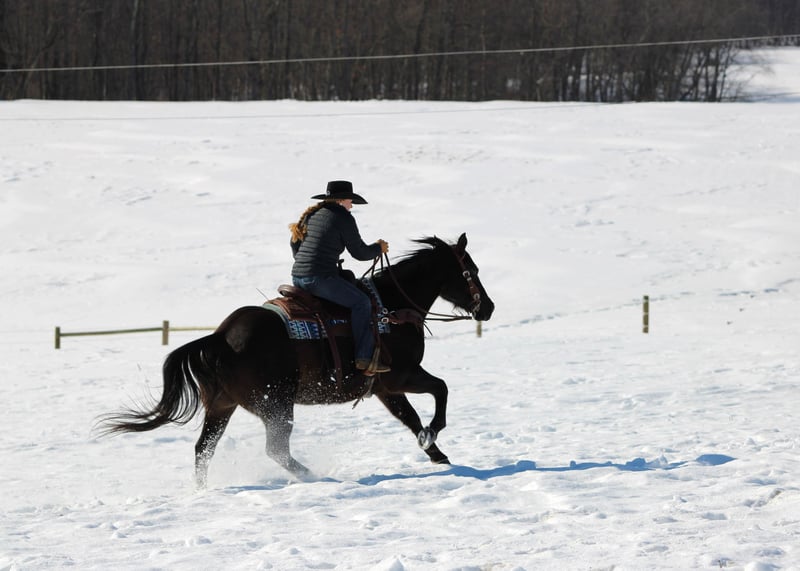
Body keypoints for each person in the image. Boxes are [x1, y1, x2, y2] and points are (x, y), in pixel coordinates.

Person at [289, 180, 391, 375]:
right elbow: (359, 252)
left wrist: (307, 262)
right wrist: (379, 248)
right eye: (350, 201)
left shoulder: (312, 214)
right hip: (319, 279)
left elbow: (295, 244)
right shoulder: (343, 218)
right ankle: (364, 358)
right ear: (342, 200)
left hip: (298, 278)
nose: (351, 206)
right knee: (362, 303)